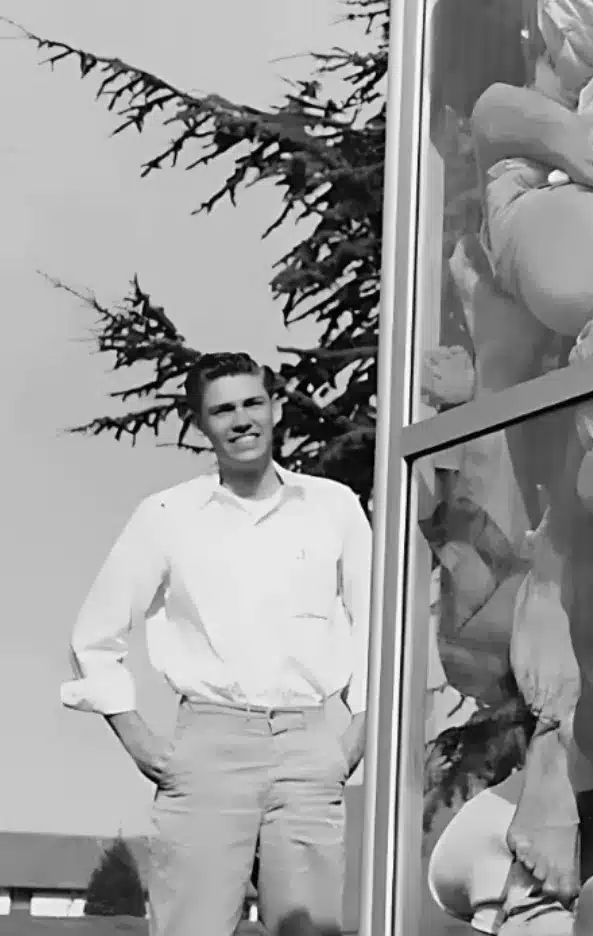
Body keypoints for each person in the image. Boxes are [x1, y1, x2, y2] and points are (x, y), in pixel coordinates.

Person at [61, 352, 372, 936]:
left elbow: (373, 626)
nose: (241, 420)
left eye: (253, 403)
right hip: (208, 747)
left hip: (309, 749)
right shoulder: (166, 515)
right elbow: (94, 637)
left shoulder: (334, 507)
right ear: (201, 423)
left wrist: (356, 734)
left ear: (275, 408)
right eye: (223, 410)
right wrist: (141, 742)